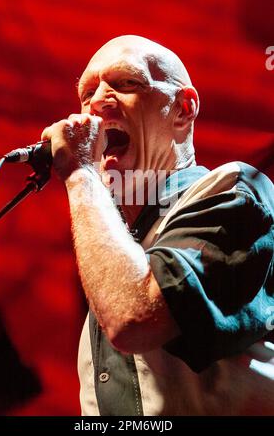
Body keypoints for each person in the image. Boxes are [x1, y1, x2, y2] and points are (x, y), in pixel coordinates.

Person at [41, 35, 274, 416]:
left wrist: (82, 172)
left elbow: (134, 319)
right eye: (86, 93)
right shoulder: (111, 258)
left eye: (126, 83)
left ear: (183, 110)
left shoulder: (235, 192)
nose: (96, 102)